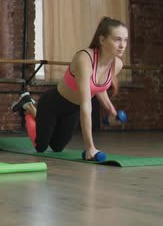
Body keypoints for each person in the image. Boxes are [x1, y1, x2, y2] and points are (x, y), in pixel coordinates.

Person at [11, 17, 128, 160]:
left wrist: (112, 110)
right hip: (53, 104)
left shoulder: (117, 64)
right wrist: (90, 148)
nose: (122, 45)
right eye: (117, 39)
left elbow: (99, 88)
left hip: (72, 109)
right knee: (41, 147)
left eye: (125, 40)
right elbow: (86, 104)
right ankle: (28, 105)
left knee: (57, 147)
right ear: (102, 40)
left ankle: (35, 111)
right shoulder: (84, 58)